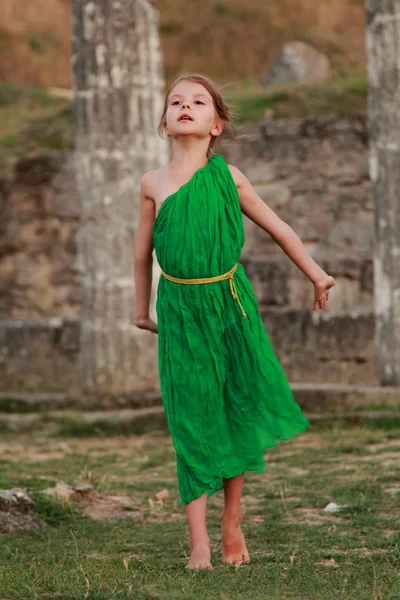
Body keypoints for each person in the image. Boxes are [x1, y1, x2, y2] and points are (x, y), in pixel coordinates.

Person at [133, 73, 335, 572]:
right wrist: (141, 310)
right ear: (164, 120)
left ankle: (232, 521)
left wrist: (317, 274)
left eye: (198, 102)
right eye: (175, 101)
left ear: (216, 124)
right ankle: (198, 540)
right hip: (180, 309)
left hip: (229, 303)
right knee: (191, 417)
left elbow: (279, 227)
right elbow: (141, 255)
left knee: (233, 407)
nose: (185, 106)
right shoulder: (152, 184)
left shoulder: (230, 177)